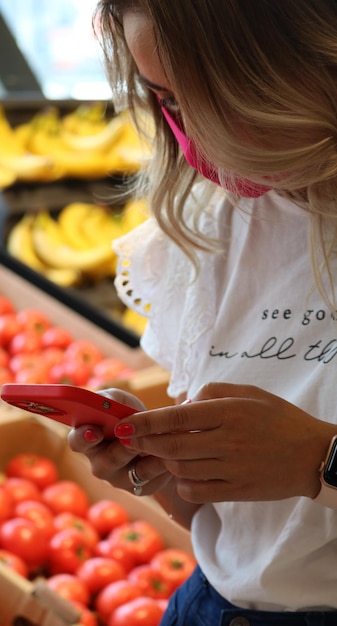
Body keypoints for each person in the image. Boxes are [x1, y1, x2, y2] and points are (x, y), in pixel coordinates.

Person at [68, 2, 337, 624]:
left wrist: (319, 461)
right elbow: (239, 532)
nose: (192, 136)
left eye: (213, 99)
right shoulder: (210, 229)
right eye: (167, 100)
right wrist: (161, 471)